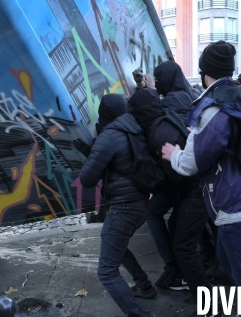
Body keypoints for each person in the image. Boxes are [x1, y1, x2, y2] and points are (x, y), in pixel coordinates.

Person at [161, 41, 241, 315]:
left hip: (234, 206)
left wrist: (174, 153)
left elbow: (189, 164)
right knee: (228, 261)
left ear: (203, 71)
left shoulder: (213, 109)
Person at [128, 88, 210, 301]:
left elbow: (177, 173)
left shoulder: (161, 134)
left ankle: (207, 303)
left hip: (193, 190)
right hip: (193, 188)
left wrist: (154, 183)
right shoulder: (163, 120)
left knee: (184, 247)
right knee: (177, 232)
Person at [79, 94, 155, 317]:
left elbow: (87, 179)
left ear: (104, 115)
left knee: (106, 271)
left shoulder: (109, 135)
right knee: (114, 246)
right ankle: (145, 287)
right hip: (141, 201)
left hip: (124, 207)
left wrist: (90, 153)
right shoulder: (135, 126)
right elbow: (121, 160)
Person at [145, 61, 196, 289]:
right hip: (193, 169)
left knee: (153, 212)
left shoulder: (170, 101)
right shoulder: (189, 94)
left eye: (158, 78)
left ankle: (175, 268)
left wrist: (152, 95)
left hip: (178, 169)